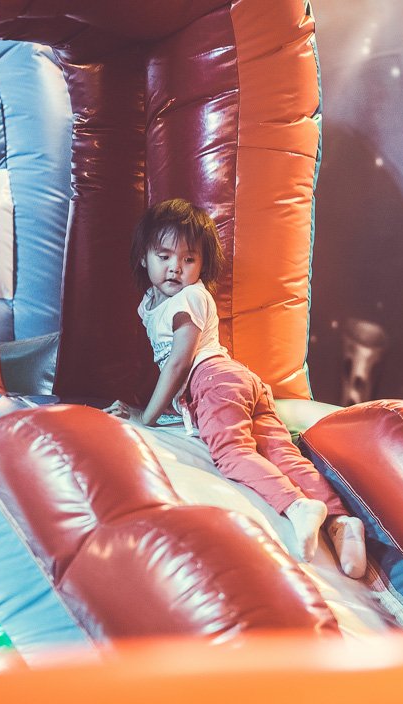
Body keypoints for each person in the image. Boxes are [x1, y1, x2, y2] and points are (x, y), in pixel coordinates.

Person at [105, 198, 367, 576]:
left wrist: (145, 417)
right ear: (144, 257)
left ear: (202, 265)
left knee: (230, 453)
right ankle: (342, 523)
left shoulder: (191, 297)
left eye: (188, 259)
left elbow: (179, 362)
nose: (175, 267)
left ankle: (297, 506)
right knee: (281, 454)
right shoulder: (150, 303)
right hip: (239, 383)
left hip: (214, 381)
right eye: (164, 256)